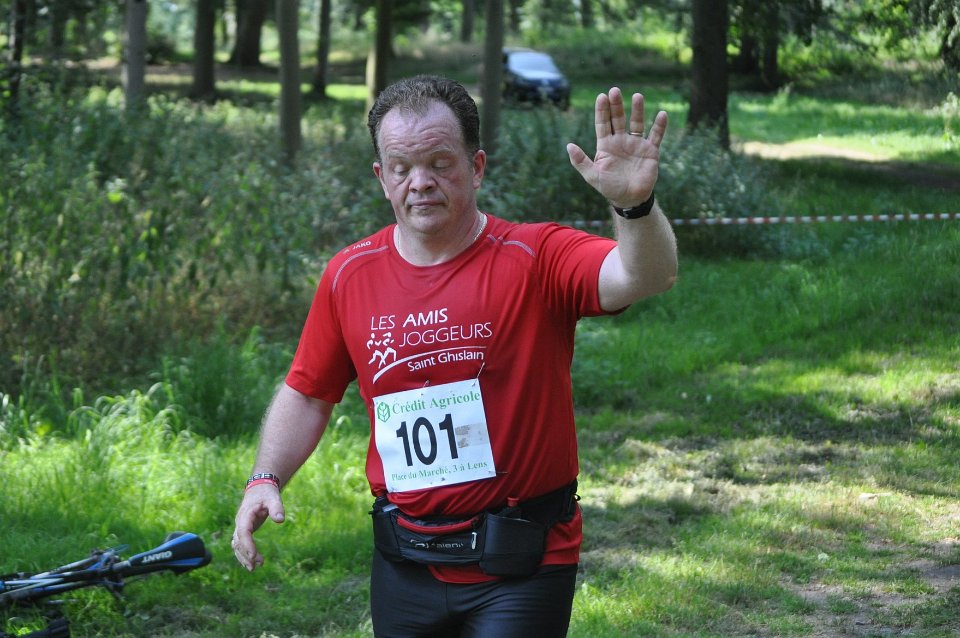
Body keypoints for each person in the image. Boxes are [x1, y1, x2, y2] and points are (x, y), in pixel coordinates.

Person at [232, 74, 677, 637]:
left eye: (440, 164)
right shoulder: (349, 274)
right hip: (404, 562)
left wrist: (633, 206)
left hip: (520, 563)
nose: (420, 182)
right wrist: (264, 477)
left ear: (477, 167)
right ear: (382, 178)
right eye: (401, 168)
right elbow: (307, 391)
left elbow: (646, 275)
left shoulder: (535, 256)